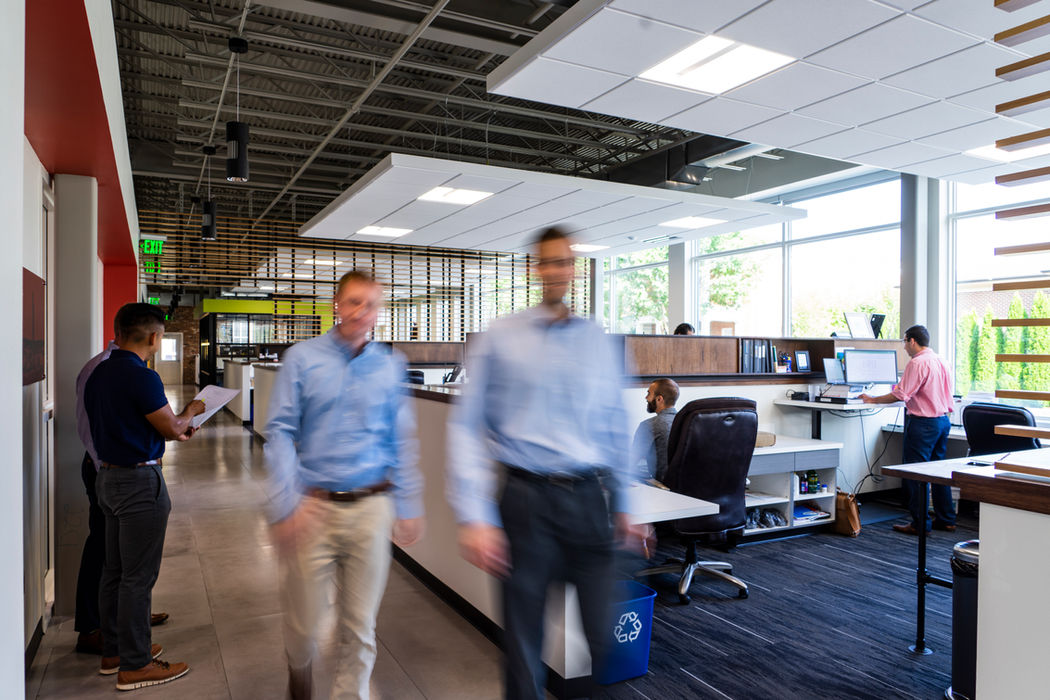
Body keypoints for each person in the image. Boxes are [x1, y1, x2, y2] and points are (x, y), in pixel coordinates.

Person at [447, 226, 651, 700]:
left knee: (604, 638)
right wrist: (475, 515)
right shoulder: (503, 336)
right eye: (549, 261)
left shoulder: (595, 339)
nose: (558, 270)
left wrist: (626, 503)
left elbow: (614, 424)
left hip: (588, 499)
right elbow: (467, 426)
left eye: (566, 262)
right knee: (523, 644)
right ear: (534, 268)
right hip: (525, 501)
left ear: (574, 269)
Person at [265, 269, 424, 700]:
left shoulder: (390, 366)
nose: (361, 312)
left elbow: (401, 439)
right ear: (337, 304)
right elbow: (280, 432)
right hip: (312, 506)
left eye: (371, 304)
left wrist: (409, 502)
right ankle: (299, 669)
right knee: (303, 623)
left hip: (372, 507)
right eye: (353, 301)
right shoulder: (303, 358)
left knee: (360, 626)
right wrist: (285, 504)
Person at [85, 303, 205, 690]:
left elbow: (129, 423)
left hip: (107, 477)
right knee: (138, 577)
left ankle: (115, 651)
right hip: (138, 483)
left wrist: (174, 428)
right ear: (155, 337)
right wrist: (192, 410)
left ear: (117, 332)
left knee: (114, 572)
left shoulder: (99, 372)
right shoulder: (142, 376)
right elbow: (172, 427)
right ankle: (136, 664)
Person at [73, 329, 169, 656]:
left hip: (107, 467)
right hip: (118, 470)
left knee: (118, 561)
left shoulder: (102, 368)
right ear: (153, 336)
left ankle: (123, 624)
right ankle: (100, 632)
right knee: (116, 560)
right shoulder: (129, 373)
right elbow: (95, 426)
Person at [861, 324, 956, 535]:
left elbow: (901, 394)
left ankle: (920, 524)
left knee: (915, 473)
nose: (904, 347)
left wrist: (873, 399)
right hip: (942, 421)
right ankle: (947, 519)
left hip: (923, 424)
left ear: (912, 341)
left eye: (904, 341)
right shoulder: (942, 361)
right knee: (938, 472)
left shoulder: (917, 363)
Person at [631, 378, 680, 483]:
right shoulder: (686, 421)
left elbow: (630, 462)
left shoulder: (649, 425)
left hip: (663, 486)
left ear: (659, 399)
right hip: (686, 486)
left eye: (649, 393)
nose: (646, 398)